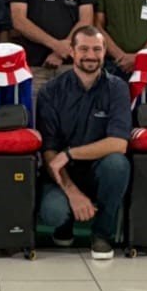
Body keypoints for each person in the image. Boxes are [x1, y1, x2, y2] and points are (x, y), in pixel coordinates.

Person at [36, 25, 132, 259]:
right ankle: (64, 225)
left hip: (100, 171)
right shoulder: (51, 91)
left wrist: (70, 153)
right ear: (72, 51)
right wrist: (72, 192)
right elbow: (49, 153)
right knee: (53, 211)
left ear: (105, 51)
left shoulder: (117, 88)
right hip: (62, 175)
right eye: (84, 49)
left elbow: (119, 144)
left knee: (118, 164)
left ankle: (102, 235)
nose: (91, 55)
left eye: (97, 49)